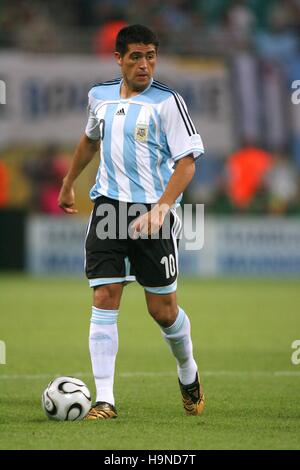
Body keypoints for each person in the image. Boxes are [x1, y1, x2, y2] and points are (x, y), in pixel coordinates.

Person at [58, 24, 205, 420]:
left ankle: (187, 369)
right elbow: (90, 140)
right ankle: (104, 400)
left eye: (151, 56)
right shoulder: (99, 97)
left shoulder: (168, 102)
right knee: (104, 296)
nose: (145, 64)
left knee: (163, 310)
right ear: (118, 58)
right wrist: (70, 182)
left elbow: (186, 163)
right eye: (137, 56)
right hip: (108, 209)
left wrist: (162, 207)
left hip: (152, 214)